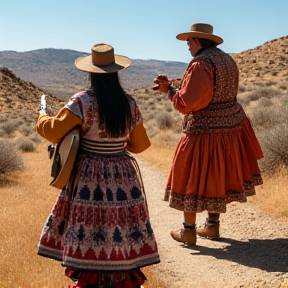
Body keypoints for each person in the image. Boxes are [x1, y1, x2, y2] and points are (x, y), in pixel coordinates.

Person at [35, 43, 160, 288]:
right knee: (121, 226)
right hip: (123, 176)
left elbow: (52, 132)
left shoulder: (81, 102)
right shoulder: (130, 104)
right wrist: (117, 147)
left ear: (91, 73)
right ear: (115, 73)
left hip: (88, 177)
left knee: (90, 226)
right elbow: (140, 144)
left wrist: (41, 116)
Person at [154, 23, 263, 245]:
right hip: (231, 127)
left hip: (204, 131)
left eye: (188, 43)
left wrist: (170, 91)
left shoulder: (200, 63)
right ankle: (212, 227)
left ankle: (189, 230)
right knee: (217, 175)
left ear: (196, 41)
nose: (187, 47)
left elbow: (188, 103)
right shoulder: (226, 59)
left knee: (190, 177)